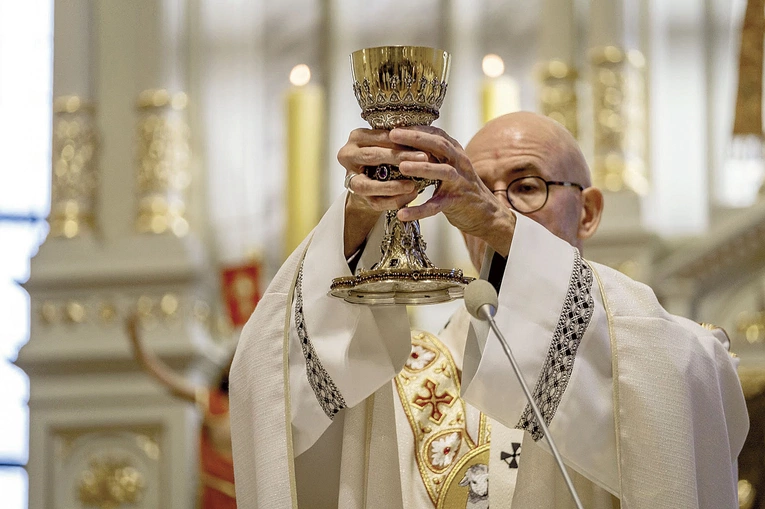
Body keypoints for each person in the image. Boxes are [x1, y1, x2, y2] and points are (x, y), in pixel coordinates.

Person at [229, 112, 749, 508]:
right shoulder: (397, 374)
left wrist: (501, 223)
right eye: (473, 189)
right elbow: (270, 374)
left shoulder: (669, 348)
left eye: (526, 187)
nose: (491, 206)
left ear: (587, 211)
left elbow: (684, 395)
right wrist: (360, 214)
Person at [126, 316, 237, 509]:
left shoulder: (255, 405)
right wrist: (137, 344)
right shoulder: (211, 401)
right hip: (217, 495)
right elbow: (167, 381)